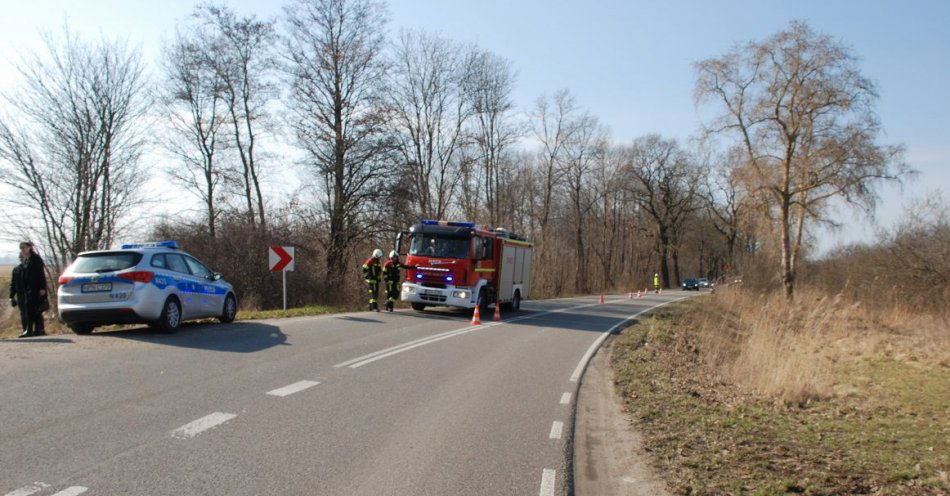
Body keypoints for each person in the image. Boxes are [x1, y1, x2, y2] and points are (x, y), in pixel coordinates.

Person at [9, 242, 49, 338]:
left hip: (35, 288)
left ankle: (34, 330)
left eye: (24, 247)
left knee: (33, 309)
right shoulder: (27, 260)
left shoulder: (36, 259)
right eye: (21, 248)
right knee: (29, 309)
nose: (22, 249)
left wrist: (42, 287)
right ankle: (30, 329)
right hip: (28, 289)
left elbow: (41, 274)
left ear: (29, 248)